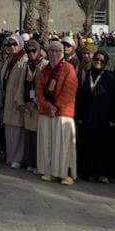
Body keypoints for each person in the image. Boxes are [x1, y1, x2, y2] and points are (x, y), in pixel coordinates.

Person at [36, 41, 77, 185]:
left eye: (57, 51)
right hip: (47, 112)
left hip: (63, 113)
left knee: (64, 145)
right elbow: (39, 91)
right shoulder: (44, 70)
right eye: (51, 50)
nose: (54, 54)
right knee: (49, 144)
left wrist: (56, 106)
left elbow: (69, 90)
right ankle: (51, 171)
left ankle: (66, 173)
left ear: (62, 53)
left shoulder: (68, 68)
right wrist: (47, 106)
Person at [76, 50, 115, 183]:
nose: (98, 62)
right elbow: (81, 96)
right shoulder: (87, 74)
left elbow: (113, 100)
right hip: (88, 117)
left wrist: (112, 118)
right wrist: (80, 115)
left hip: (103, 118)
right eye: (96, 60)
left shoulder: (109, 77)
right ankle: (89, 172)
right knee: (88, 145)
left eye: (101, 61)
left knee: (102, 146)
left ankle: (102, 173)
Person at [0, 35, 28, 168]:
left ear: (20, 45)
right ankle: (10, 157)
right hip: (7, 99)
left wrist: (19, 100)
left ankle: (17, 158)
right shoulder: (7, 60)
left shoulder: (23, 60)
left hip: (16, 101)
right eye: (8, 44)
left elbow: (23, 83)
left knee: (17, 131)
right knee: (9, 130)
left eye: (14, 44)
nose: (11, 47)